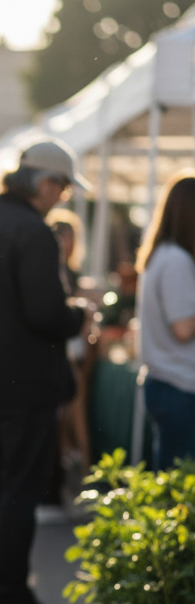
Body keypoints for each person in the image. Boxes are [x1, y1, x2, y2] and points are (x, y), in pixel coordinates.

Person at [0, 140, 86, 604]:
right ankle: (9, 596)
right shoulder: (33, 232)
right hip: (26, 381)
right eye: (64, 189)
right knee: (18, 489)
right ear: (47, 183)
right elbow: (47, 312)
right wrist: (80, 315)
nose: (62, 199)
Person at [137, 172, 195, 468]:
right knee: (177, 485)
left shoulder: (163, 255)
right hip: (178, 385)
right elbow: (183, 327)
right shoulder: (176, 260)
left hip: (167, 382)